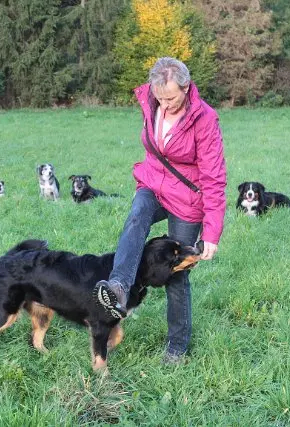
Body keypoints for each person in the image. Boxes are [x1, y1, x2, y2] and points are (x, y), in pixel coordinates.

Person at [93, 57, 227, 364]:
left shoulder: (204, 119)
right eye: (160, 98)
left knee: (176, 275)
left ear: (186, 88)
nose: (165, 105)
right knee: (136, 217)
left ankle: (177, 347)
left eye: (171, 98)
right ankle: (119, 288)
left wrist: (212, 232)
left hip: (187, 198)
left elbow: (214, 176)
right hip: (153, 185)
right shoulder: (151, 103)